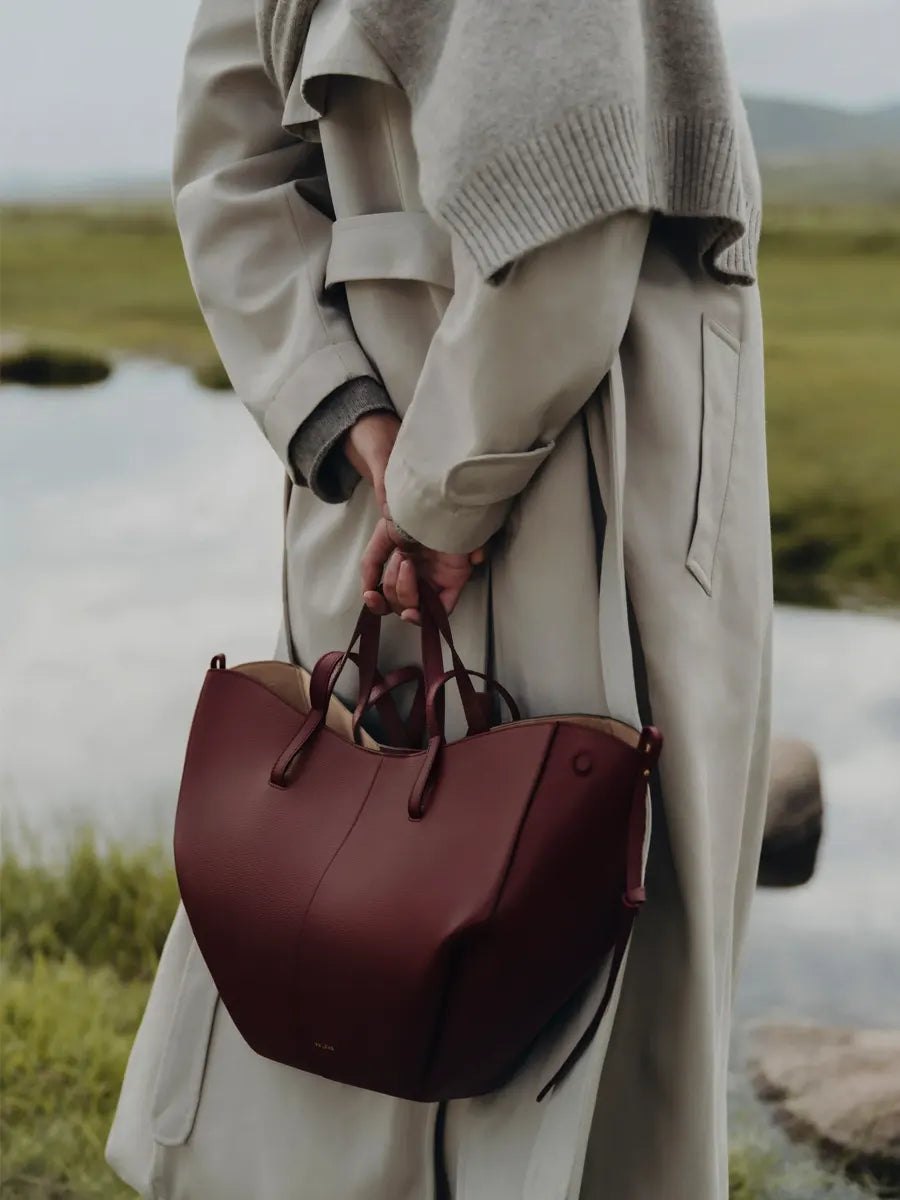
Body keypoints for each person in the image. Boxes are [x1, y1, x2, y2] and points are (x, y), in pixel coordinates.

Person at [107, 0, 773, 1196]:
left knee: (375, 861)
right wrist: (426, 484)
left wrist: (357, 423)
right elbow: (572, 221)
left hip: (396, 450)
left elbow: (230, 173)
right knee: (512, 907)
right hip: (572, 449)